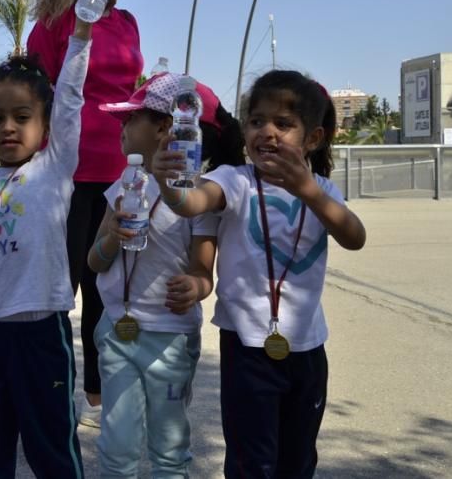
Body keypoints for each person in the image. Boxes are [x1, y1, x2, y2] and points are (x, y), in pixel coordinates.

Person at [151, 69, 367, 477]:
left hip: (306, 348)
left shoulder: (322, 190)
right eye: (256, 121)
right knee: (252, 460)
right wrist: (168, 185)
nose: (266, 132)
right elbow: (192, 202)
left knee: (298, 459)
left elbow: (354, 236)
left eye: (283, 124)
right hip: (247, 349)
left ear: (313, 138)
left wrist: (309, 191)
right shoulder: (234, 181)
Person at [0, 0, 109, 478]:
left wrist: (82, 31)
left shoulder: (54, 166)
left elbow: (71, 95)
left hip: (41, 333)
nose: (8, 127)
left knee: (51, 445)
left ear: (46, 126)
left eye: (22, 117)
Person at [87, 72, 244, 477]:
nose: (121, 126)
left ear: (164, 127)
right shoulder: (122, 186)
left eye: (131, 118)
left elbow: (202, 273)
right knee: (116, 446)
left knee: (169, 450)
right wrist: (111, 239)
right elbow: (94, 262)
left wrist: (195, 286)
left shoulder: (198, 197)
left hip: (170, 341)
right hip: (118, 333)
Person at [27, 0, 143, 425]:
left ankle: (99, 389)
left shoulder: (128, 22)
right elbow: (35, 99)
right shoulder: (52, 26)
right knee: (63, 286)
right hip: (69, 173)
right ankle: (56, 385)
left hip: (122, 172)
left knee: (111, 285)